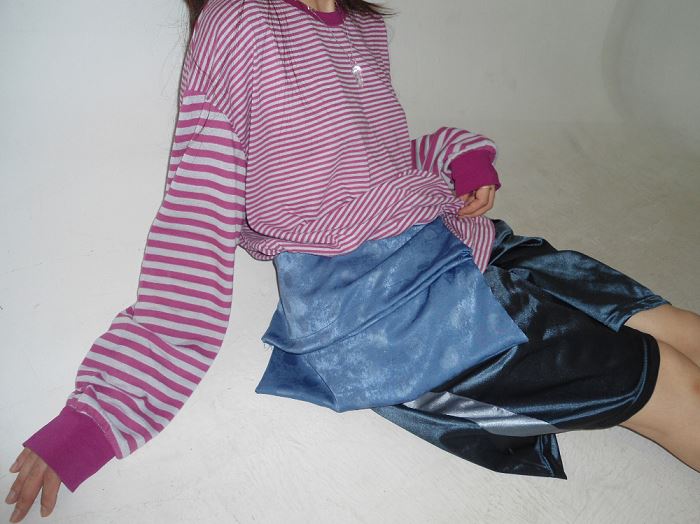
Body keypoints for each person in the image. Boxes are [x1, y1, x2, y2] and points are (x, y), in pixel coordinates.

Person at [5, 0, 700, 521]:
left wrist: (460, 157)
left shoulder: (360, 26)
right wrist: (98, 417)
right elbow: (193, 234)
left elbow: (378, 161)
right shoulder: (240, 25)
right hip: (389, 312)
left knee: (674, 328)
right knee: (668, 380)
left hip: (460, 241)